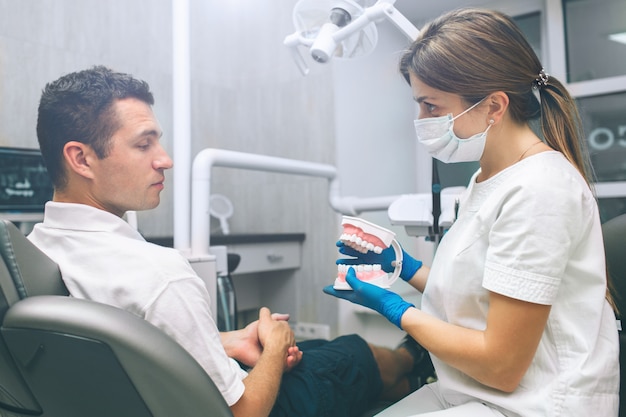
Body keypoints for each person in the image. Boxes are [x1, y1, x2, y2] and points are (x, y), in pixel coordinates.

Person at [29, 65, 423, 417]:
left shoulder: (36, 251)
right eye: (143, 144)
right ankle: (414, 360)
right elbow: (244, 412)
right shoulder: (159, 275)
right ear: (81, 159)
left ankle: (411, 377)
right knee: (350, 353)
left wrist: (226, 341)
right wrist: (275, 344)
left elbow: (121, 341)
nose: (164, 159)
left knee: (320, 354)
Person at [324, 8, 620, 417]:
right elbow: (480, 295)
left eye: (431, 106)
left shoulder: (540, 190)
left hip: (536, 403)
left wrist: (398, 310)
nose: (421, 121)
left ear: (494, 106)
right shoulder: (488, 177)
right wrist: (404, 268)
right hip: (472, 390)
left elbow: (501, 365)